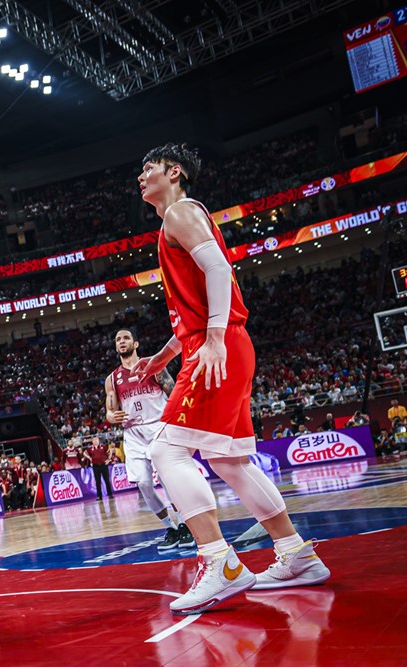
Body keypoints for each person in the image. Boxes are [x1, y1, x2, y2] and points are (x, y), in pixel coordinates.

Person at [133, 143, 329, 615]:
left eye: (148, 168)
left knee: (165, 450)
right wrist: (168, 351)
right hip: (222, 343)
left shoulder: (179, 210)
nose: (140, 177)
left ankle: (218, 560)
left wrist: (213, 338)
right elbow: (201, 297)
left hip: (217, 345)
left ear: (174, 171)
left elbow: (220, 270)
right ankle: (295, 554)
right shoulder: (178, 218)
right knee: (231, 461)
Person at [104, 328, 193, 552]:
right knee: (143, 483)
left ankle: (185, 525)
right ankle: (170, 528)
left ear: (136, 344)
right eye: (118, 339)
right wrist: (111, 416)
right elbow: (109, 410)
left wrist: (176, 422)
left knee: (167, 479)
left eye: (125, 338)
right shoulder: (112, 379)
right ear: (116, 347)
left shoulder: (153, 366)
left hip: (158, 427)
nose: (121, 341)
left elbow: (173, 393)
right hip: (133, 433)